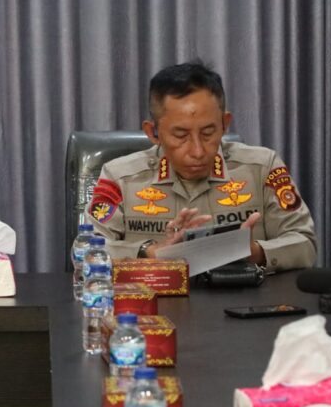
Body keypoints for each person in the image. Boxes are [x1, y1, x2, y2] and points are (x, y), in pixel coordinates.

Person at [87, 61, 316, 272]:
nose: (197, 151)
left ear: (225, 124)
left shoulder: (262, 168)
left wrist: (253, 251)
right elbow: (86, 251)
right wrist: (148, 253)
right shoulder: (120, 177)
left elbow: (305, 243)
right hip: (155, 300)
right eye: (181, 135)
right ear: (153, 132)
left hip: (242, 299)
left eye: (208, 133)